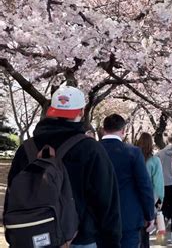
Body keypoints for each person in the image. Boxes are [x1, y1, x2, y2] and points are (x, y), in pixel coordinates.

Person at [4, 86, 121, 247]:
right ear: (81, 112)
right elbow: (107, 202)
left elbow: (12, 193)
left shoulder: (26, 148)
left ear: (51, 111)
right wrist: (112, 241)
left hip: (32, 237)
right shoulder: (90, 149)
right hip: (78, 239)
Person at [101, 114, 155, 248]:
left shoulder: (91, 150)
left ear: (103, 129)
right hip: (128, 217)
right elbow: (144, 185)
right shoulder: (133, 152)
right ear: (123, 131)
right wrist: (149, 214)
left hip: (99, 218)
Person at [136, 133, 165, 248]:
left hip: (133, 201)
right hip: (149, 201)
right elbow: (158, 184)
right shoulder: (154, 161)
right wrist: (160, 201)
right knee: (145, 235)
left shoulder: (134, 158)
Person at [157, 133, 172, 244]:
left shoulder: (159, 154)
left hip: (163, 185)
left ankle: (162, 233)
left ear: (167, 140)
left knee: (162, 209)